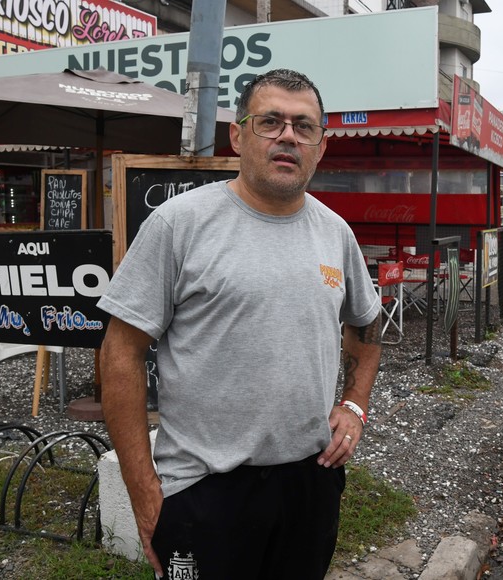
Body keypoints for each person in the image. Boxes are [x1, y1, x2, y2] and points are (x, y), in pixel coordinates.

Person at [98, 68, 382, 579]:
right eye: (270, 121)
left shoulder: (335, 232)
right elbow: (121, 352)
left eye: (303, 126)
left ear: (321, 145)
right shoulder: (178, 224)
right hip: (204, 489)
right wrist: (143, 492)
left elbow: (366, 325)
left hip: (310, 483)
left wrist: (355, 405)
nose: (288, 136)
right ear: (238, 135)